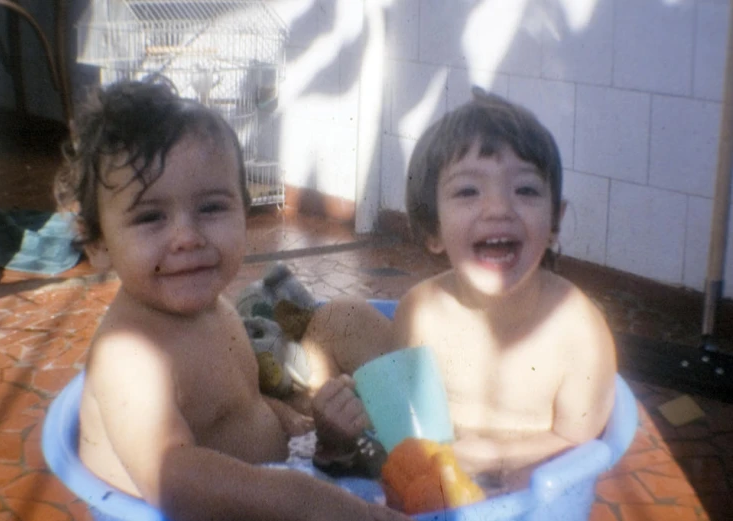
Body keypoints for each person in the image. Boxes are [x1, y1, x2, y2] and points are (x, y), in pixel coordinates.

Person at [54, 78, 409, 521]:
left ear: (245, 212)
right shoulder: (130, 353)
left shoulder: (214, 309)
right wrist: (307, 500)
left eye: (211, 208)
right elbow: (172, 477)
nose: (187, 237)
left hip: (277, 476)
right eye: (150, 217)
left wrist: (305, 430)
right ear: (98, 244)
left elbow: (237, 406)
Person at [313, 89, 617, 492]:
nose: (498, 208)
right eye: (468, 191)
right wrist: (337, 442)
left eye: (525, 190)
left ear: (555, 222)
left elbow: (582, 450)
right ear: (433, 229)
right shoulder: (421, 312)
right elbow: (400, 437)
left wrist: (490, 458)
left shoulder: (579, 334)